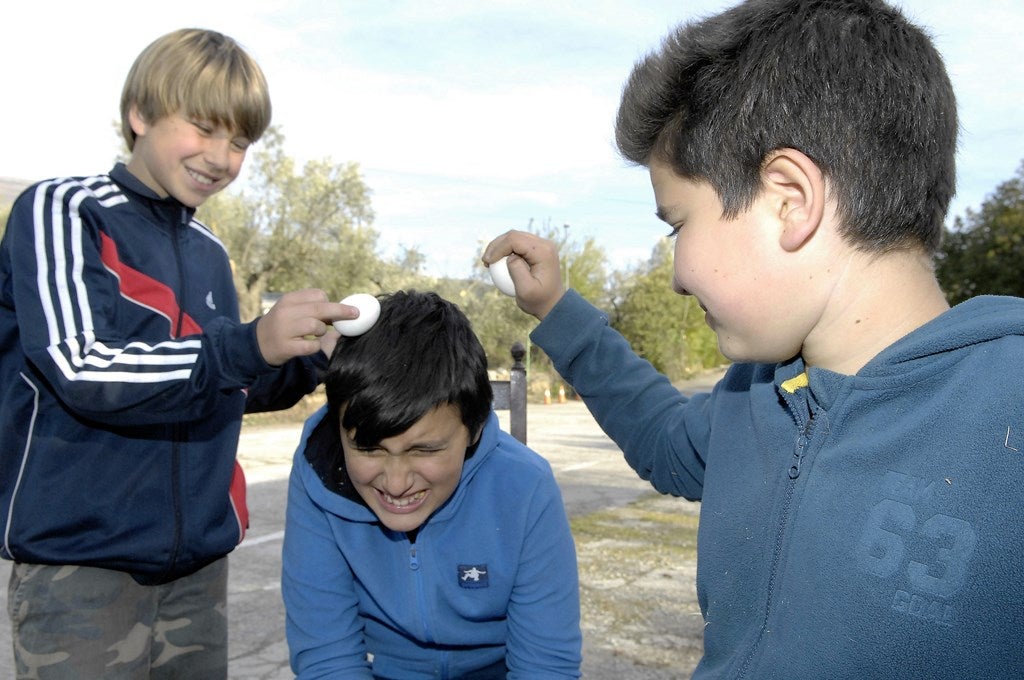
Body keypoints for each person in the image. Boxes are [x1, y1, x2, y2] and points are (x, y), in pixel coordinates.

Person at [483, 0, 1024, 678]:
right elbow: (665, 441)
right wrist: (556, 309)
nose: (676, 276)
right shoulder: (756, 394)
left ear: (789, 200)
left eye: (677, 224)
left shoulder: (1009, 408)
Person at [0, 28, 355, 679]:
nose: (221, 157)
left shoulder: (210, 251)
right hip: (83, 568)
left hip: (197, 571)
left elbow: (227, 384)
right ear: (140, 114)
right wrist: (248, 343)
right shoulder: (64, 211)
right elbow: (82, 366)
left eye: (240, 142)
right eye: (204, 128)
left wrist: (312, 356)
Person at [282, 290, 581, 679]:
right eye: (369, 449)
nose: (396, 484)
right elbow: (327, 657)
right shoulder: (318, 476)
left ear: (473, 429)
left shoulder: (526, 487)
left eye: (424, 450)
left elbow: (545, 666)